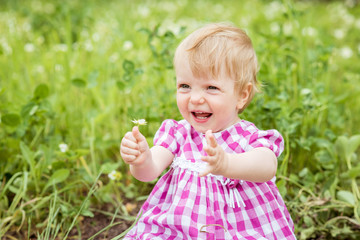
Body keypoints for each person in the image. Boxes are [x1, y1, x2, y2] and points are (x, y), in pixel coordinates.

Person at [120, 22, 296, 239]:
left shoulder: (246, 137)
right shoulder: (179, 133)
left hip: (237, 229)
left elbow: (267, 166)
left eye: (211, 88)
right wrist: (141, 160)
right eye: (185, 86)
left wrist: (227, 164)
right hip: (183, 228)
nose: (195, 98)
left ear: (241, 95)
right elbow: (149, 172)